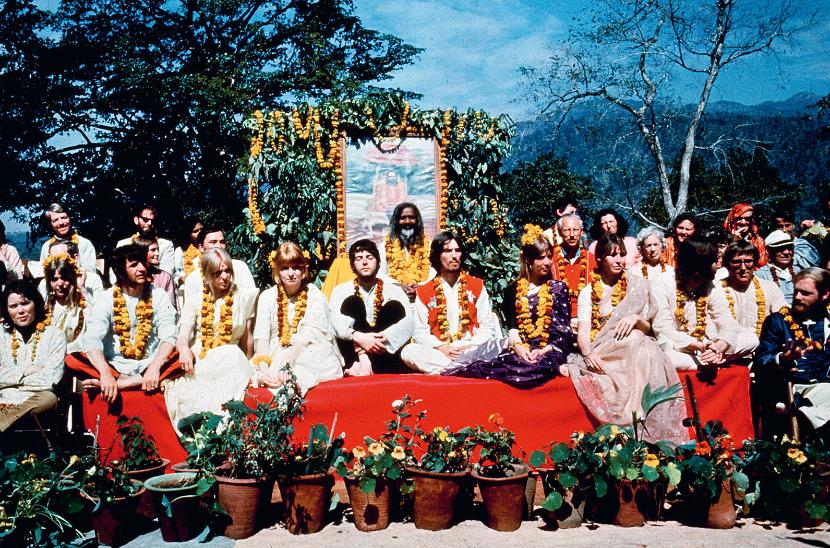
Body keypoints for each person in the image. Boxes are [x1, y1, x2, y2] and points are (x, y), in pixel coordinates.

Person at [567, 235, 686, 442]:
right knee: (638, 342)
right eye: (613, 255)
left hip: (635, 348)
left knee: (640, 340)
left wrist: (636, 318)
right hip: (604, 349)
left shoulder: (637, 285)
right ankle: (631, 419)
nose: (619, 260)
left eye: (622, 255)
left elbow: (648, 328)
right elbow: (584, 332)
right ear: (600, 258)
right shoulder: (589, 292)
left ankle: (638, 414)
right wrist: (587, 353)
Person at [442, 225, 572, 387]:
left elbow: (563, 334)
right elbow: (513, 330)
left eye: (549, 257)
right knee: (499, 366)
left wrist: (542, 351)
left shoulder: (558, 289)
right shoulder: (513, 290)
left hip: (548, 350)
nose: (547, 262)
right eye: (540, 258)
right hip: (520, 347)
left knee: (532, 371)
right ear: (527, 260)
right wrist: (519, 348)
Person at [65, 244, 180, 402]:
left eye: (143, 263)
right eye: (134, 265)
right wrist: (105, 372)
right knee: (72, 360)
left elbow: (169, 335)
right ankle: (134, 381)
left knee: (182, 358)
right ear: (120, 272)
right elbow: (92, 338)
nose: (142, 268)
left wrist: (155, 366)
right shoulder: (106, 298)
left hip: (150, 364)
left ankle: (122, 384)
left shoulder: (158, 295)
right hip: (114, 366)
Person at [164, 248, 257, 430]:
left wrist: (251, 364)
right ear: (207, 275)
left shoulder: (242, 297)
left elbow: (247, 337)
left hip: (232, 361)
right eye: (217, 273)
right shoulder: (196, 298)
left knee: (232, 353)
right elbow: (182, 337)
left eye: (227, 271)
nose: (225, 277)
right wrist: (184, 350)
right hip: (203, 359)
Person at [401, 231, 501, 374]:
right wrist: (442, 348)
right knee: (409, 351)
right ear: (437, 255)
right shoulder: (424, 291)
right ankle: (463, 370)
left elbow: (488, 327)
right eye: (448, 251)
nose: (454, 255)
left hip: (471, 349)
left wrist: (469, 346)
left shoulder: (476, 286)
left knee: (495, 346)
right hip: (441, 352)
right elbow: (419, 332)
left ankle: (451, 370)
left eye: (457, 250)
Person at [252, 242, 343, 395]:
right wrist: (264, 371)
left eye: (296, 267)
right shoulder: (267, 297)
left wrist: (287, 364)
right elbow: (262, 338)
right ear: (277, 271)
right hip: (276, 354)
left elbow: (311, 335)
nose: (291, 273)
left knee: (317, 354)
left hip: (307, 352)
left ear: (303, 270)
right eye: (285, 268)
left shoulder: (314, 294)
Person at [754, 268, 830, 437]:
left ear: (824, 295)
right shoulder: (777, 321)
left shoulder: (828, 321)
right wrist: (782, 359)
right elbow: (761, 360)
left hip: (824, 385)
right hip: (792, 387)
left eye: (805, 293)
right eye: (796, 291)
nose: (797, 297)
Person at [651, 237, 739, 370]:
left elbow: (727, 321)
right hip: (678, 347)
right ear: (697, 266)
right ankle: (707, 362)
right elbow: (663, 329)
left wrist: (718, 347)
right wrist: (698, 345)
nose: (718, 265)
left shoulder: (712, 285)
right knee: (667, 357)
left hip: (709, 344)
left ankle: (708, 359)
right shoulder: (663, 282)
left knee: (751, 339)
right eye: (714, 261)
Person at [330, 239, 413, 375]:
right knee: (352, 302)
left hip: (384, 354)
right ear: (352, 265)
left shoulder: (394, 290)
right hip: (355, 357)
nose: (364, 262)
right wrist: (359, 337)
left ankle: (373, 366)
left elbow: (409, 323)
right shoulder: (340, 290)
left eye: (369, 257)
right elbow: (333, 321)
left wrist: (380, 339)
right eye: (359, 258)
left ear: (378, 263)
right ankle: (363, 362)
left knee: (394, 307)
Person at [0, 281, 66, 432]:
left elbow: (51, 380)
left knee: (49, 399)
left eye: (25, 303)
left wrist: (10, 382)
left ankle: (3, 422)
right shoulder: (1, 334)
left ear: (35, 304)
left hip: (35, 401)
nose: (21, 311)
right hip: (3, 398)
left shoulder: (54, 335)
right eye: (13, 306)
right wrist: (25, 371)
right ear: (7, 310)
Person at [711, 241, 786, 361]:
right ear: (727, 264)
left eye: (748, 261)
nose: (743, 268)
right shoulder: (715, 288)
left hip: (762, 355)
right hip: (726, 349)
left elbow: (784, 318)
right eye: (736, 262)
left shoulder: (770, 287)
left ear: (755, 263)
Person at [182, 226, 256, 306]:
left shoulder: (239, 267)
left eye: (222, 242)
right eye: (213, 242)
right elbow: (190, 310)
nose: (219, 246)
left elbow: (251, 301)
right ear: (201, 248)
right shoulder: (193, 278)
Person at [380, 202, 433, 301]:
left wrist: (420, 287)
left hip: (423, 298)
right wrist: (399, 286)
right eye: (402, 218)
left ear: (417, 220)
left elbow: (434, 273)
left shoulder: (428, 245)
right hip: (394, 298)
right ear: (396, 221)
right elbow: (380, 274)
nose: (407, 221)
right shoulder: (385, 246)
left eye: (411, 217)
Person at [550, 214, 595, 325]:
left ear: (581, 232)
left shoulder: (592, 259)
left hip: (587, 319)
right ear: (559, 232)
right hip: (556, 320)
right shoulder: (549, 258)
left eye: (575, 230)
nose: (571, 235)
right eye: (566, 230)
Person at [42, 252, 90, 354]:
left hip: (72, 355)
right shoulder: (45, 308)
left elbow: (93, 328)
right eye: (54, 279)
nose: (60, 283)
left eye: (64, 278)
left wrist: (82, 287)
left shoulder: (82, 307)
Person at [116, 205, 175, 275]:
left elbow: (167, 274)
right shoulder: (123, 244)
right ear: (136, 220)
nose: (150, 223)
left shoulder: (165, 245)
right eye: (145, 219)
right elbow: (117, 273)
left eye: (153, 221)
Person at [39, 203, 97, 273]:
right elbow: (43, 273)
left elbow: (91, 273)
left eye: (64, 218)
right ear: (50, 224)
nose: (61, 223)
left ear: (70, 219)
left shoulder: (84, 243)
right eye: (55, 220)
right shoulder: (46, 246)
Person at [133, 235, 177, 310]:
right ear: (142, 252)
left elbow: (170, 307)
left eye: (158, 249)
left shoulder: (165, 277)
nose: (157, 253)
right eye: (153, 250)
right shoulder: (132, 275)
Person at [756, 230, 800, 302]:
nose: (786, 252)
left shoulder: (798, 271)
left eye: (789, 248)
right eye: (781, 249)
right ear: (768, 251)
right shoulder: (761, 275)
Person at [723, 203, 768, 267]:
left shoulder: (758, 240)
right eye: (739, 218)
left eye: (747, 219)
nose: (743, 222)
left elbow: (763, 264)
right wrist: (734, 241)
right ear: (732, 219)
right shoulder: (724, 238)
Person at [173, 217, 204, 289]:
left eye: (202, 229)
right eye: (195, 231)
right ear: (188, 234)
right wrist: (181, 279)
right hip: (188, 288)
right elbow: (177, 273)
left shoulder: (210, 247)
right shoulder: (180, 251)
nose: (200, 233)